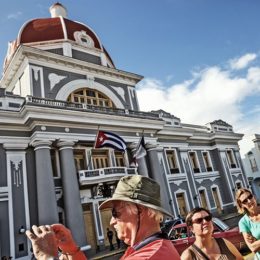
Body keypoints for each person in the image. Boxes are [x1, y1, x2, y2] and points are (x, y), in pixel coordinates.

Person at [99, 175, 180, 259]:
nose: (111, 222)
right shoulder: (162, 246)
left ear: (140, 210)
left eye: (115, 213)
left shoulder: (145, 256)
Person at [236, 188, 260, 259]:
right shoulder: (243, 222)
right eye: (245, 201)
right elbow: (253, 248)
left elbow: (256, 245)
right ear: (241, 205)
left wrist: (257, 242)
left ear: (254, 197)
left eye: (250, 197)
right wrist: (255, 245)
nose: (249, 201)